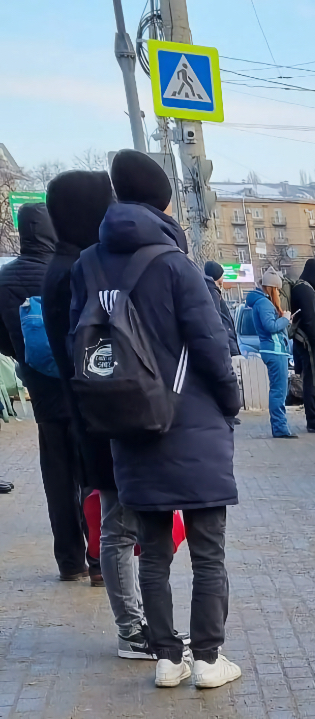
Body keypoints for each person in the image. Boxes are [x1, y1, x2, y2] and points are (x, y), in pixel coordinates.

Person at [70, 149, 243, 689]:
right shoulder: (174, 264)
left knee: (153, 552)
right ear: (165, 199)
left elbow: (72, 342)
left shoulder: (87, 265)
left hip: (127, 425)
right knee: (208, 550)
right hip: (191, 423)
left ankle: (168, 659)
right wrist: (230, 402)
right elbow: (211, 344)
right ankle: (210, 661)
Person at [46, 169, 160, 658]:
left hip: (93, 413)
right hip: (100, 415)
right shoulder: (74, 272)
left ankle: (138, 624)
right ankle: (132, 629)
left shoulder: (68, 265)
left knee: (122, 521)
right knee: (118, 524)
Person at [0, 202, 97, 581]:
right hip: (79, 387)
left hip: (42, 395)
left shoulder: (6, 280)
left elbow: (5, 342)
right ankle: (98, 559)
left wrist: (25, 357)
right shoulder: (68, 270)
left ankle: (69, 562)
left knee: (57, 478)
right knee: (91, 475)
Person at [246, 269, 296, 438]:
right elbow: (270, 327)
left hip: (272, 350)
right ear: (272, 288)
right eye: (278, 290)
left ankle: (280, 427)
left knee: (278, 390)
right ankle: (280, 428)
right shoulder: (265, 304)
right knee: (278, 391)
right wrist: (285, 319)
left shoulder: (259, 302)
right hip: (275, 351)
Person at [290, 258, 315, 434]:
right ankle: (313, 422)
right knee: (313, 383)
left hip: (306, 342)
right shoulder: (304, 290)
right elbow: (309, 320)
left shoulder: (306, 288)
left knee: (312, 382)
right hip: (308, 343)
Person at [202, 261, 241, 357]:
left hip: (225, 341)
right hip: (226, 342)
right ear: (217, 275)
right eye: (222, 275)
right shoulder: (212, 292)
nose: (223, 278)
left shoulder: (210, 290)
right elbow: (216, 319)